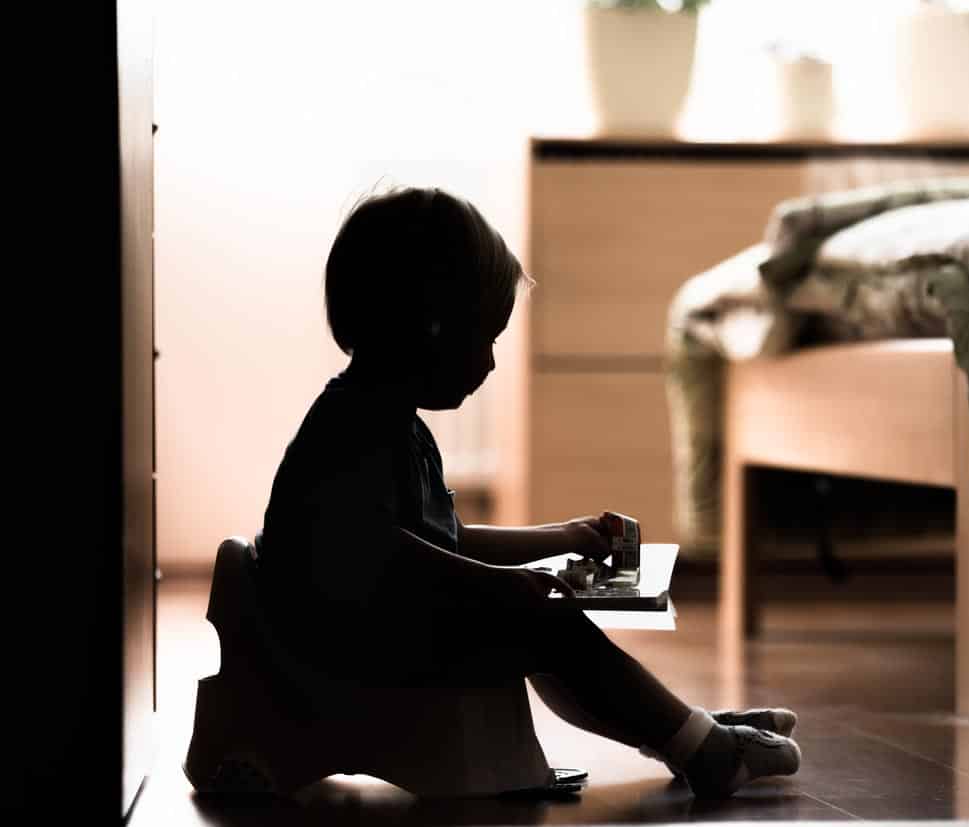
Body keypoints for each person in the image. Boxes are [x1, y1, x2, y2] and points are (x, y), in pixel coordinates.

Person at [258, 186, 801, 798]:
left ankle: (686, 732)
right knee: (548, 626)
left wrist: (562, 538)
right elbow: (375, 549)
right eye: (484, 337)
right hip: (344, 645)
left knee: (551, 619)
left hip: (374, 623)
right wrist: (499, 585)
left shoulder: (391, 423)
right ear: (431, 328)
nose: (490, 363)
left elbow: (444, 541)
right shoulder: (354, 430)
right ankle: (702, 747)